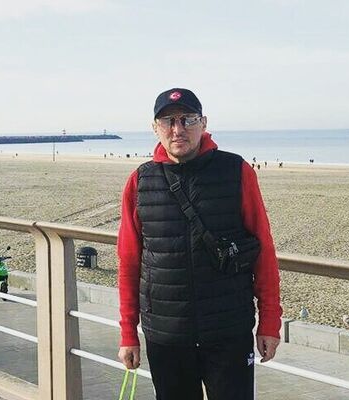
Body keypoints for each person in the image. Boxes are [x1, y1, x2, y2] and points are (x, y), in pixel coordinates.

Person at [117, 88, 282, 400]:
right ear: (155, 128)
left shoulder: (236, 171)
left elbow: (264, 252)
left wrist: (270, 322)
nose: (178, 129)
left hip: (228, 330)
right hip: (166, 335)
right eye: (168, 121)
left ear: (203, 123)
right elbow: (129, 263)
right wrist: (128, 333)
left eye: (187, 119)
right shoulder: (140, 181)